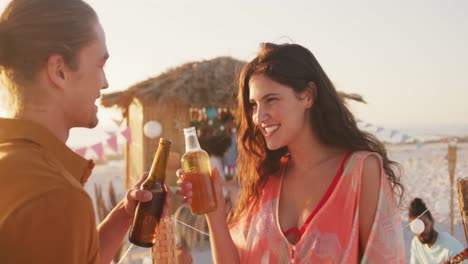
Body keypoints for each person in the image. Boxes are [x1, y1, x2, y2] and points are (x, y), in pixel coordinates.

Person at [177, 42, 406, 263]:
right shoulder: (268, 182)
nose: (258, 117)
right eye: (254, 105)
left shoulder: (360, 172)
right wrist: (215, 213)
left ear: (308, 95)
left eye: (271, 100)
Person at [0, 1, 170, 263]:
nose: (105, 82)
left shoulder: (15, 166)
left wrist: (125, 214)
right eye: (100, 65)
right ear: (60, 71)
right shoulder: (53, 195)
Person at [409, 198, 467, 264]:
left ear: (432, 221)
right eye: (416, 227)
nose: (421, 231)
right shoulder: (416, 243)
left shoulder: (452, 247)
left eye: (424, 224)